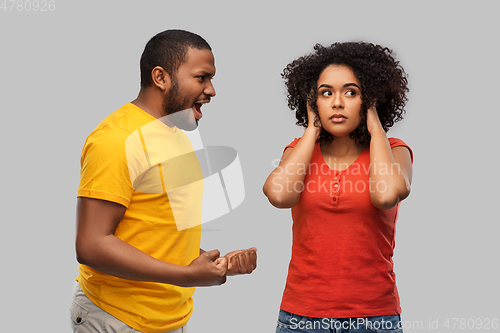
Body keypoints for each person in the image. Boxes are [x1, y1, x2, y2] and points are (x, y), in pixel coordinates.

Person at [70, 29, 257, 333]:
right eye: (201, 77)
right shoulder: (117, 140)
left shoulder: (177, 136)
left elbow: (155, 230)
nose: (211, 90)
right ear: (161, 77)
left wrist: (211, 265)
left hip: (169, 320)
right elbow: (91, 245)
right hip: (116, 319)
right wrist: (187, 276)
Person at [263, 42, 413, 333]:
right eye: (326, 93)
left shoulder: (395, 151)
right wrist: (312, 129)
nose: (337, 103)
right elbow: (279, 195)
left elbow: (385, 195)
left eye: (351, 92)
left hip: (373, 318)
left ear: (369, 98)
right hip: (300, 317)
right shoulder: (298, 151)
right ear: (312, 101)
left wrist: (375, 127)